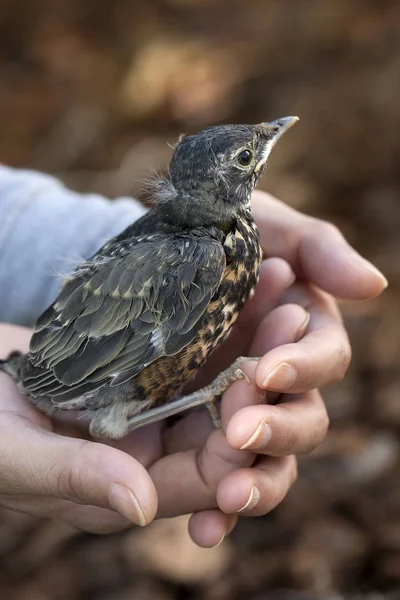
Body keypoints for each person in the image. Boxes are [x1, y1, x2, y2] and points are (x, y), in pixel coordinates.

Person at [0, 165, 387, 548]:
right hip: (72, 377)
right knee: (116, 422)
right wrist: (206, 393)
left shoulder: (214, 242)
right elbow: (104, 415)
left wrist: (143, 252)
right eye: (244, 158)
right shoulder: (204, 256)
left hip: (73, 338)